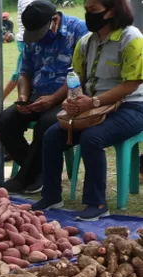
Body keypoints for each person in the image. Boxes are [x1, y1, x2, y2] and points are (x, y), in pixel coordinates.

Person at [34, 0, 143, 221]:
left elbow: (131, 84)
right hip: (95, 105)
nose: (87, 15)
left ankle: (97, 203)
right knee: (52, 135)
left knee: (93, 138)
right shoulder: (86, 42)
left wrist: (92, 102)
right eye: (86, 10)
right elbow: (77, 79)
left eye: (93, 11)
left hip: (132, 106)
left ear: (111, 12)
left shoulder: (131, 38)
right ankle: (52, 196)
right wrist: (71, 101)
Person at [0, 0, 87, 194]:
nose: (37, 39)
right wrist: (23, 97)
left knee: (46, 124)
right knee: (3, 121)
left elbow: (80, 75)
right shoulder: (32, 38)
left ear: (54, 20)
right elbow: (25, 72)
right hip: (37, 96)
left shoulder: (78, 30)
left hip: (68, 98)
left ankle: (25, 177)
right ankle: (40, 172)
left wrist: (53, 99)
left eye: (40, 33)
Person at [5, 0, 37, 99]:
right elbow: (33, 19)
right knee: (21, 72)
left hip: (29, 38)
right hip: (28, 39)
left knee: (24, 71)